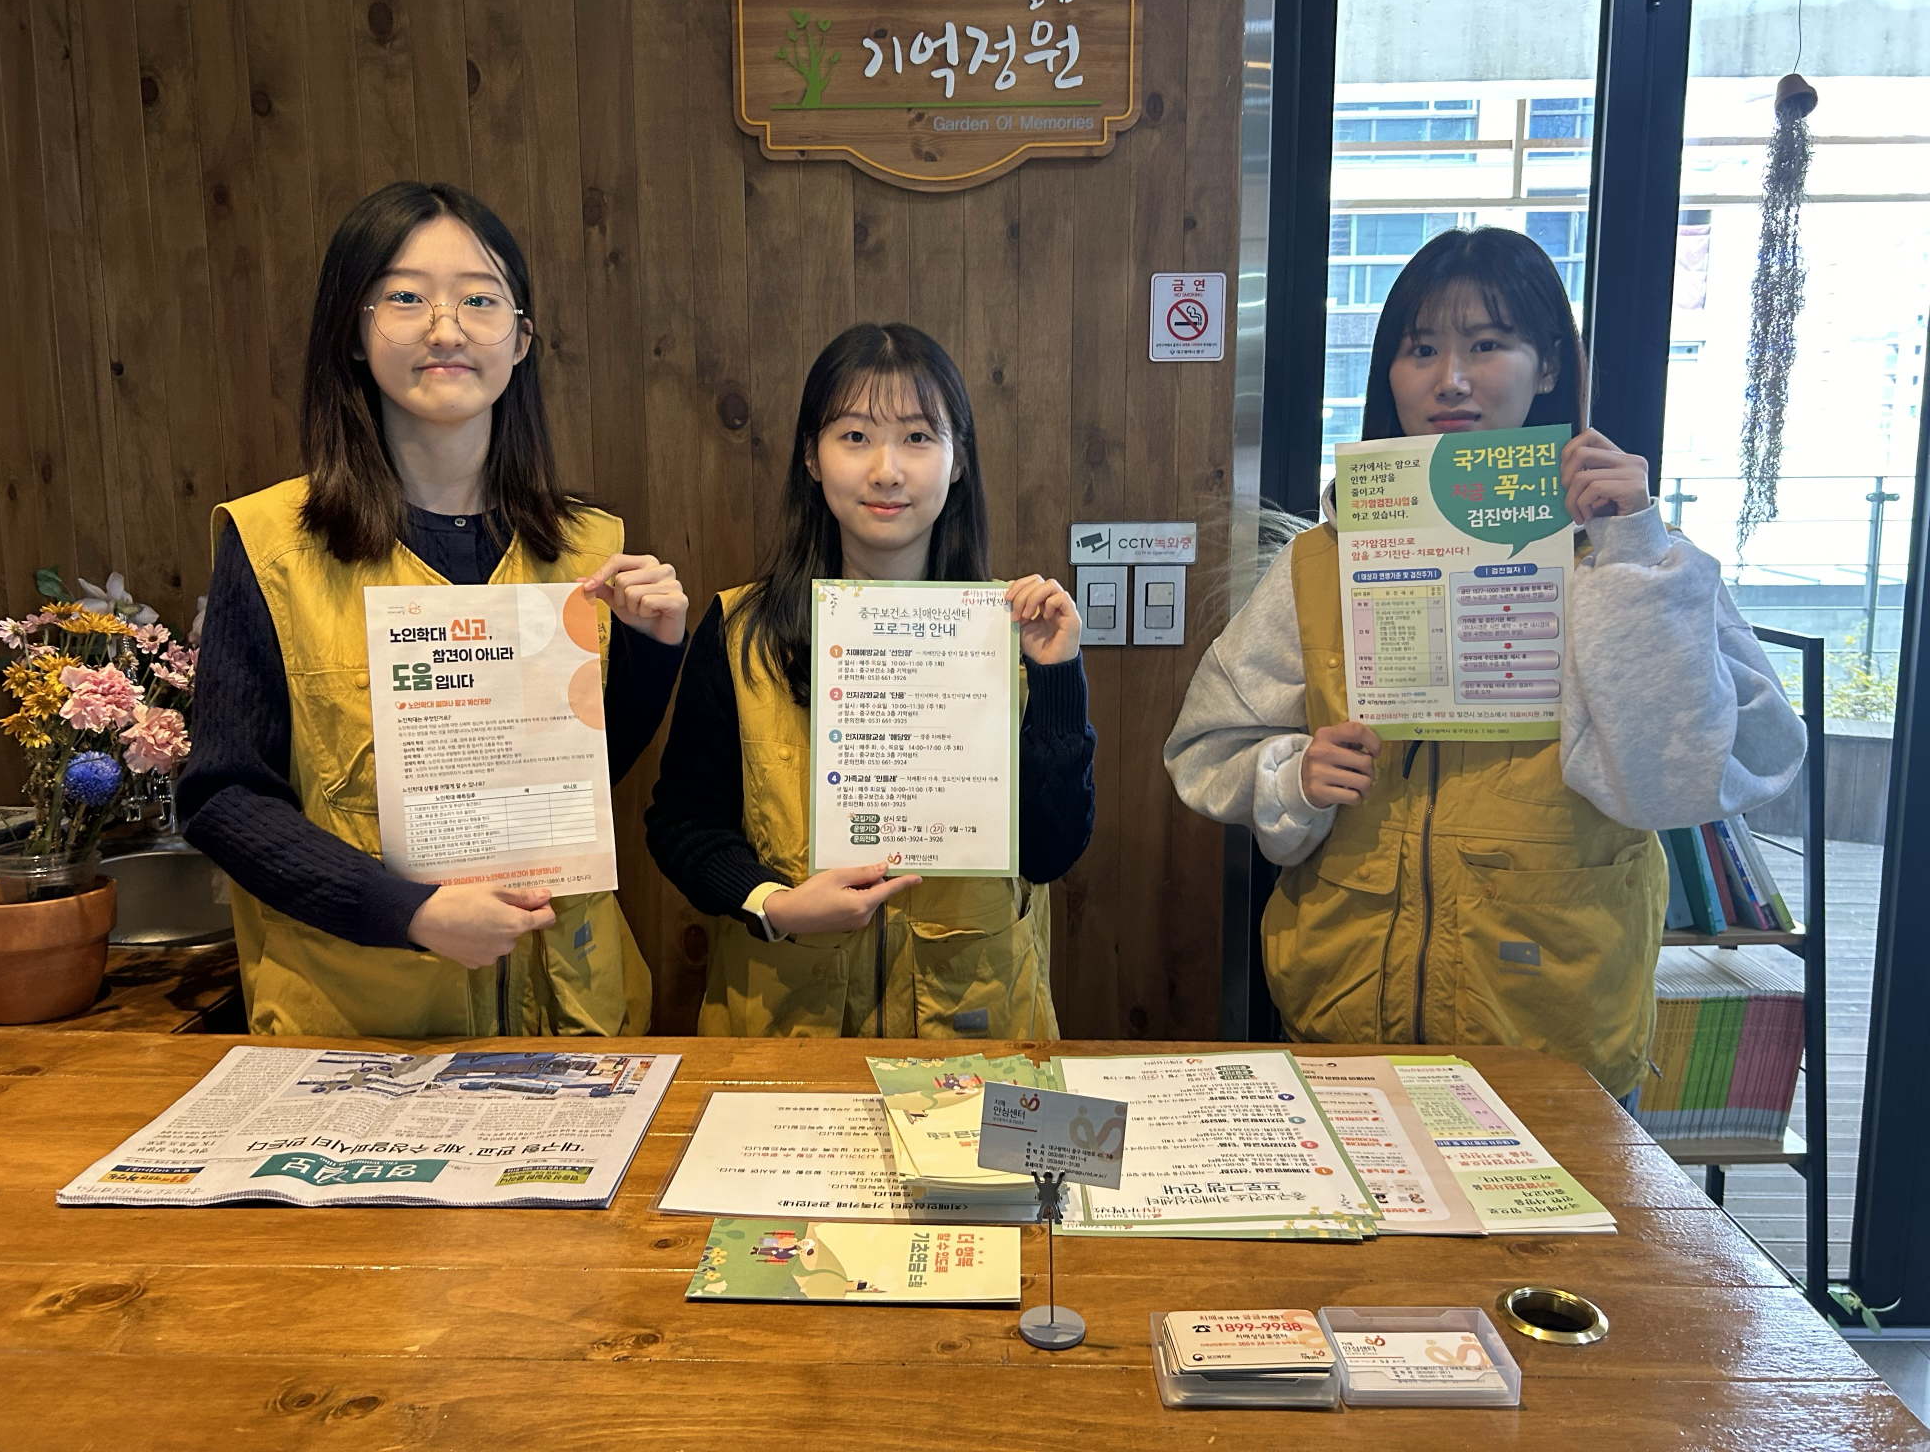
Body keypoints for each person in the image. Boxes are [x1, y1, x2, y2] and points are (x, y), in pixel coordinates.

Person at [1165, 227, 1806, 1096]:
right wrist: (1293, 775)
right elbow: (1208, 747)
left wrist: (1630, 550)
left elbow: (1709, 772)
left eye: (1487, 344)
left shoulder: (1633, 559)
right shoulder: (1323, 559)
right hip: (1345, 1021)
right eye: (1420, 348)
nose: (1451, 379)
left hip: (1555, 1043)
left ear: (1549, 366)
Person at [180, 181, 688, 1038]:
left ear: (520, 340)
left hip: (567, 1011)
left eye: (480, 300)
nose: (446, 329)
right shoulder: (270, 544)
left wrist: (652, 651)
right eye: (407, 297)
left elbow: (578, 785)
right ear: (354, 331)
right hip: (365, 1028)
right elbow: (224, 797)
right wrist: (408, 911)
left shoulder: (588, 545)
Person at [646, 322, 1096, 1037]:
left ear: (957, 460)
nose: (886, 470)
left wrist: (1058, 678)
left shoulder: (1016, 630)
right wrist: (773, 904)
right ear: (812, 457)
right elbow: (682, 823)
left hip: (974, 1025)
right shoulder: (740, 631)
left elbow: (1050, 851)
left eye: (917, 437)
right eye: (855, 436)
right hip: (789, 1028)